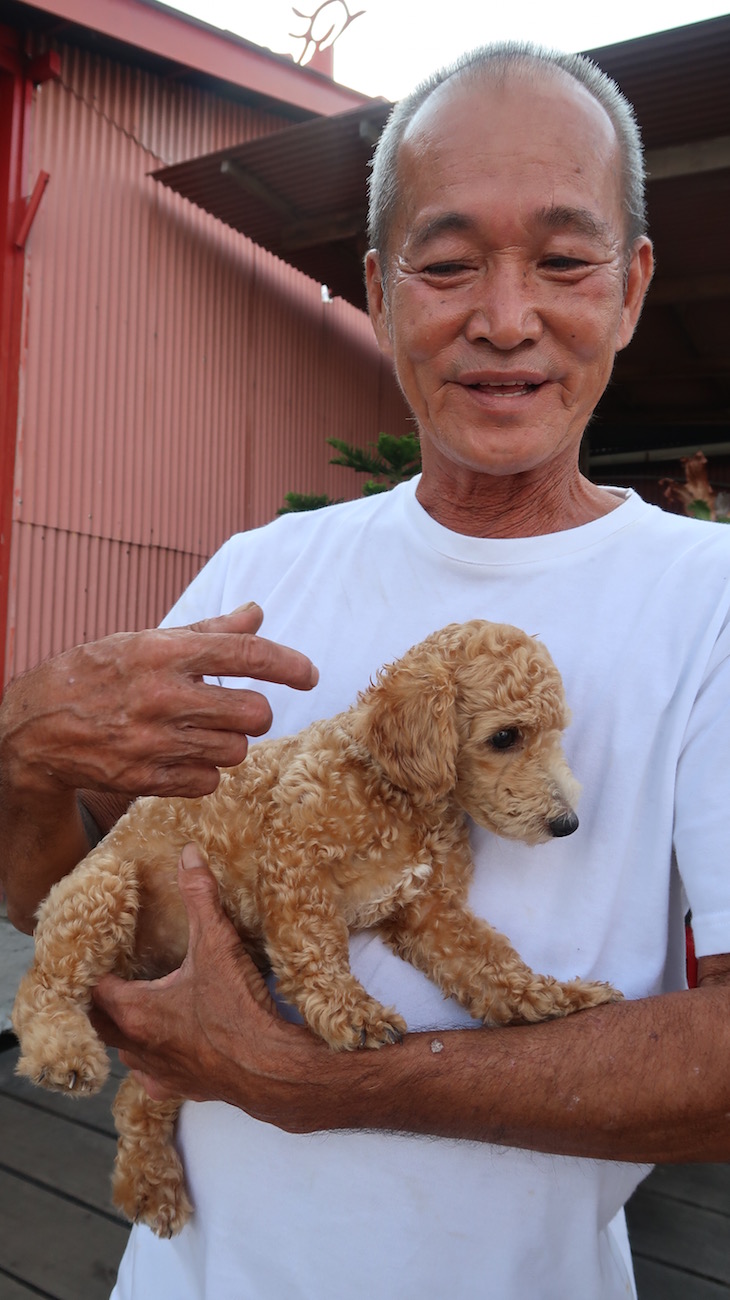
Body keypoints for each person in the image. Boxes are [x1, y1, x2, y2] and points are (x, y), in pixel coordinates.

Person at [2, 40, 730, 1300]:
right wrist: (18, 754)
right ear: (382, 290)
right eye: (447, 265)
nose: (505, 318)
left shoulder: (708, 600)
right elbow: (77, 895)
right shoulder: (257, 568)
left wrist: (318, 1085)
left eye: (564, 258)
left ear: (629, 286)